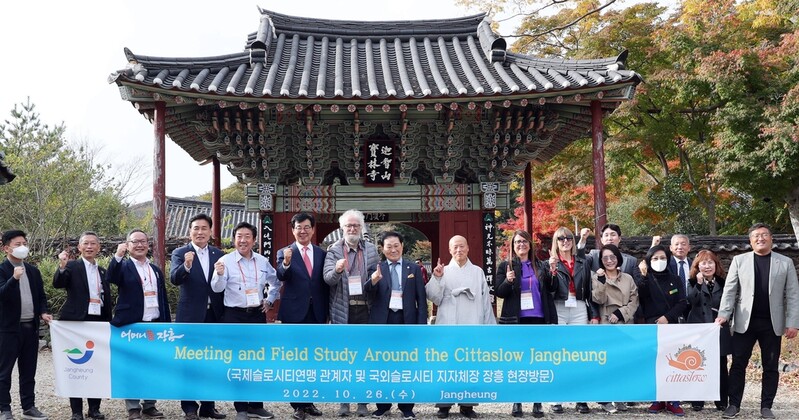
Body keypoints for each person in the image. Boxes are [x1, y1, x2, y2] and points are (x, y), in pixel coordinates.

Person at [716, 223, 799, 419]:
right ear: (750, 240)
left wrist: (793, 322)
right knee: (737, 364)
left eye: (764, 235)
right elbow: (730, 290)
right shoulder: (739, 260)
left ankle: (766, 406)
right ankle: (733, 404)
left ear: (771, 239)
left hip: (772, 322)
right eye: (756, 236)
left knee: (770, 366)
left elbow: (793, 294)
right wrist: (724, 314)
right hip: (745, 322)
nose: (760, 238)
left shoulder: (785, 262)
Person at [211, 222, 280, 420]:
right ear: (234, 239)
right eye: (239, 236)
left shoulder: (262, 261)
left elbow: (276, 282)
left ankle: (256, 406)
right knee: (237, 361)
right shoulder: (225, 261)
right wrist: (220, 274)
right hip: (234, 315)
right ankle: (241, 406)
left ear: (254, 240)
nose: (243, 240)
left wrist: (270, 300)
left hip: (257, 314)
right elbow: (216, 288)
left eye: (247, 236)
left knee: (257, 360)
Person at [426, 235, 495, 419]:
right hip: (448, 325)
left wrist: (489, 326)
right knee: (446, 365)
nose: (459, 250)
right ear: (449, 250)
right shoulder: (444, 271)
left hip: (472, 323)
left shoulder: (478, 272)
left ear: (468, 248)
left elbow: (486, 302)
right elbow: (433, 298)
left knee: (470, 365)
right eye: (455, 247)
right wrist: (437, 278)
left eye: (462, 246)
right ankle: (444, 403)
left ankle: (467, 404)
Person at [107, 229, 170, 420]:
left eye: (143, 241)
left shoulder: (155, 270)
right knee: (132, 367)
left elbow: (163, 297)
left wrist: (166, 324)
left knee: (153, 366)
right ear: (128, 245)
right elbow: (111, 277)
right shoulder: (123, 266)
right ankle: (133, 407)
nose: (140, 245)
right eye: (135, 242)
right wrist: (118, 255)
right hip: (131, 325)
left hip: (154, 324)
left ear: (148, 244)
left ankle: (149, 405)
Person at [169, 214, 226, 420]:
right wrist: (186, 266)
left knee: (211, 361)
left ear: (210, 232)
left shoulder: (218, 253)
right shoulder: (180, 252)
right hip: (190, 316)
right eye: (196, 228)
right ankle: (189, 407)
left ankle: (208, 406)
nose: (200, 232)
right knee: (189, 362)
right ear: (190, 231)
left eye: (204, 228)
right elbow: (174, 279)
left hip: (214, 315)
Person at [323, 209, 379, 417]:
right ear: (342, 228)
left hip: (365, 309)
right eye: (349, 226)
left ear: (362, 227)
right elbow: (327, 279)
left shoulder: (371, 250)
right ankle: (344, 401)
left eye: (356, 225)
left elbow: (376, 279)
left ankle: (363, 402)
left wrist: (374, 280)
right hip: (342, 311)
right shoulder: (334, 251)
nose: (352, 229)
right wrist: (337, 270)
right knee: (343, 357)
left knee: (365, 356)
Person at [365, 231, 427, 420]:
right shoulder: (377, 268)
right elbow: (368, 293)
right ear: (382, 249)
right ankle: (383, 406)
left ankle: (406, 407)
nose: (393, 249)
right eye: (388, 246)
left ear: (402, 246)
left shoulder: (413, 268)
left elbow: (421, 300)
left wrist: (420, 327)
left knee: (406, 365)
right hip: (383, 322)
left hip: (406, 321)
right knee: (382, 364)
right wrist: (373, 281)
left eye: (396, 246)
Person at [495, 230, 556, 418]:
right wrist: (508, 280)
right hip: (516, 320)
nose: (521, 245)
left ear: (530, 245)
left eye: (524, 241)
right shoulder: (506, 266)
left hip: (538, 318)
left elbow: (552, 289)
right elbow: (499, 292)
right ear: (513, 245)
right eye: (517, 242)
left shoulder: (541, 265)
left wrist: (553, 273)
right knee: (518, 362)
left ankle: (537, 402)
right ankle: (517, 401)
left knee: (537, 362)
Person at [53, 232, 112, 420]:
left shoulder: (102, 271)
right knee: (76, 366)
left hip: (98, 321)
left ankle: (94, 408)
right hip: (76, 322)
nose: (89, 247)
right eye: (85, 243)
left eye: (93, 244)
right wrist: (61, 266)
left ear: (98, 247)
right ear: (79, 247)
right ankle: (76, 411)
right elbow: (58, 283)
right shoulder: (72, 266)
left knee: (97, 364)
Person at [276, 213, 328, 420]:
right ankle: (297, 404)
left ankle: (309, 402)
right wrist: (286, 263)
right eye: (299, 227)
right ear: (293, 230)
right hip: (293, 312)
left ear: (313, 230)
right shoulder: (284, 252)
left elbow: (324, 282)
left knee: (312, 358)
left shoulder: (321, 253)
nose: (303, 231)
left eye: (307, 227)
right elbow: (281, 275)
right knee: (295, 358)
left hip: (316, 312)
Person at [0, 230, 52, 420]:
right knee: (4, 371)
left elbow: (41, 296)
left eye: (24, 243)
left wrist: (43, 312)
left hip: (31, 328)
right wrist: (14, 278)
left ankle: (29, 407)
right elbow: (2, 295)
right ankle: (4, 409)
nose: (22, 247)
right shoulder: (2, 270)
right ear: (6, 248)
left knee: (28, 371)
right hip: (8, 329)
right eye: (17, 244)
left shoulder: (32, 270)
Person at [548, 226, 596, 415]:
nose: (565, 241)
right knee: (558, 353)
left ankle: (580, 397)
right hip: (558, 307)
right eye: (561, 238)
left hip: (578, 306)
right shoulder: (550, 262)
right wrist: (551, 270)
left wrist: (593, 314)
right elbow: (549, 289)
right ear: (556, 242)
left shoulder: (583, 262)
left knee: (579, 353)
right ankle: (556, 398)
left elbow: (589, 290)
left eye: (568, 238)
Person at [635, 244, 687, 416]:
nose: (659, 261)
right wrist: (643, 276)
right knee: (655, 364)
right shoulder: (645, 278)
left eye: (662, 258)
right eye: (655, 258)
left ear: (668, 259)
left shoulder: (676, 279)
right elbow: (640, 298)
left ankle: (674, 401)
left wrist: (668, 317)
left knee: (673, 363)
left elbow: (682, 302)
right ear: (649, 261)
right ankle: (657, 399)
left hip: (671, 325)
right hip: (652, 325)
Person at [591, 243, 638, 414]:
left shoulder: (628, 278)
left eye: (612, 257)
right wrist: (602, 282)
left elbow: (634, 300)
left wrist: (621, 313)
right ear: (601, 261)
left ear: (618, 258)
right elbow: (598, 299)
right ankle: (604, 399)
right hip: (606, 322)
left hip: (625, 322)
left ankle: (620, 396)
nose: (609, 261)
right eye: (605, 258)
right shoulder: (597, 277)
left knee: (623, 361)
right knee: (606, 362)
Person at [685, 250, 729, 412]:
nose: (707, 266)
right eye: (703, 263)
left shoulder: (724, 282)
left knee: (721, 365)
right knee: (697, 364)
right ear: (697, 266)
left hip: (718, 328)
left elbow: (729, 303)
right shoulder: (691, 282)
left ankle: (722, 400)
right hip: (698, 329)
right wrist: (698, 284)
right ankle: (697, 400)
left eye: (710, 262)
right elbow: (691, 300)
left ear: (716, 265)